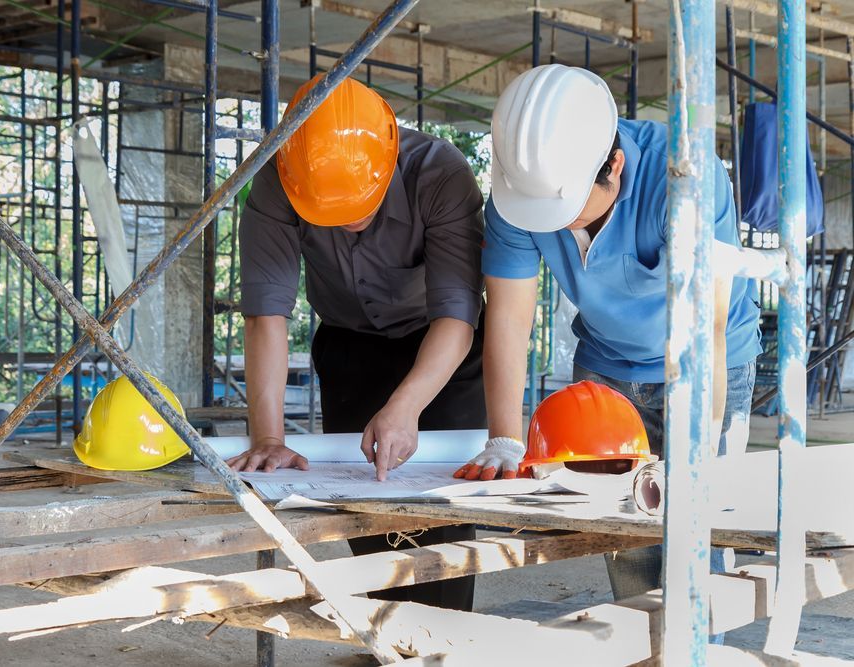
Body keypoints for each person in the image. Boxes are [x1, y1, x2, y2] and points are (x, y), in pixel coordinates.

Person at [458, 64, 761, 605]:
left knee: (698, 539)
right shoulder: (519, 190)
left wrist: (697, 453)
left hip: (707, 362)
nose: (551, 224)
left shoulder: (685, 175)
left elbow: (704, 331)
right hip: (607, 369)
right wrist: (503, 437)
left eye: (565, 210)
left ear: (614, 167)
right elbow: (508, 317)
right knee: (627, 539)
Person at [227, 75, 486, 611]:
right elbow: (266, 315)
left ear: (389, 157)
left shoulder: (441, 173)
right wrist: (269, 436)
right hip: (349, 346)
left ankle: (447, 641)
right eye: (331, 219)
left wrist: (407, 405)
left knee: (443, 511)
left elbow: (458, 316)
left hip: (441, 349)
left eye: (360, 211)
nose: (347, 226)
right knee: (359, 505)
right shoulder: (277, 180)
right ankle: (384, 636)